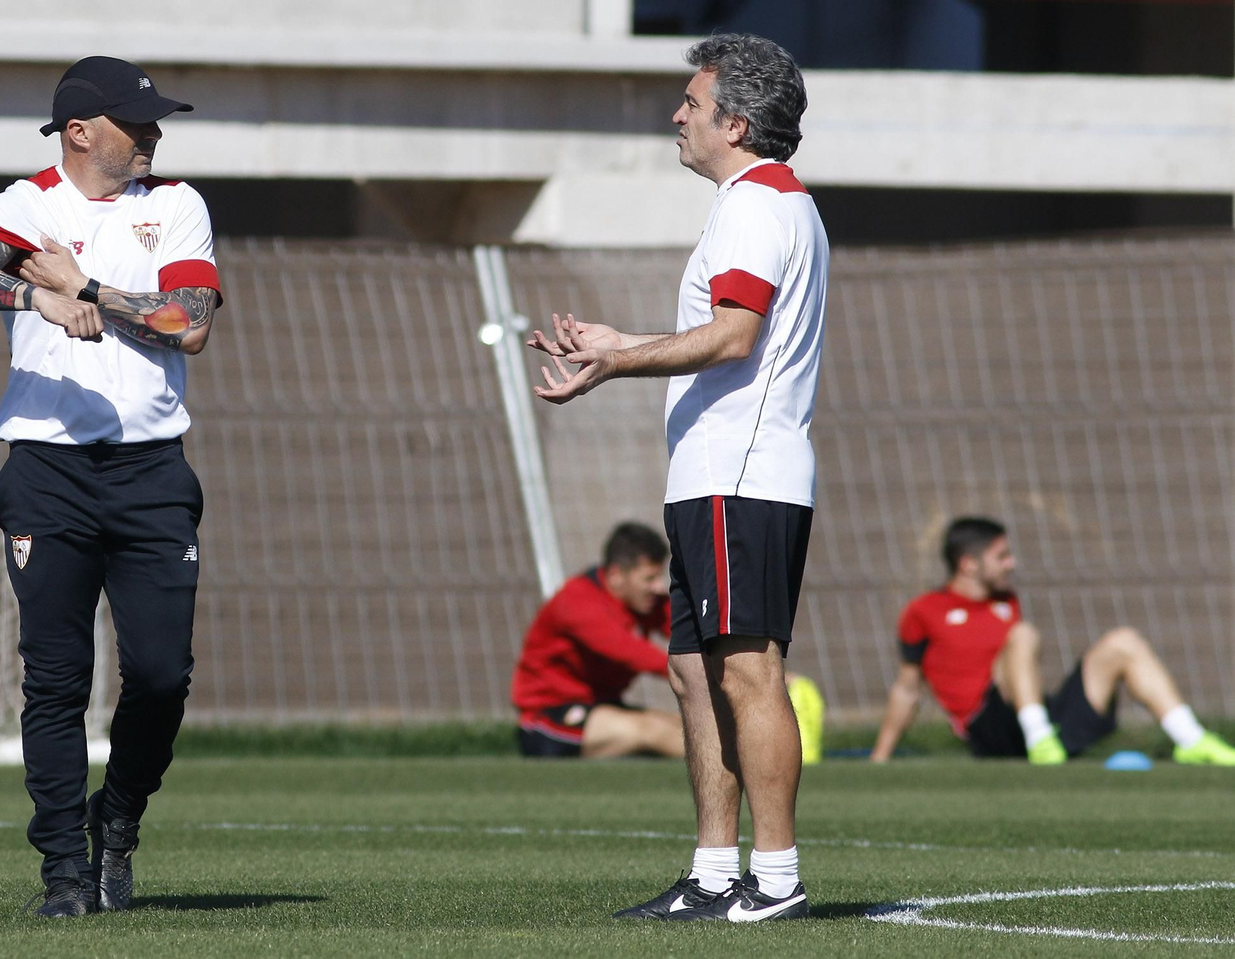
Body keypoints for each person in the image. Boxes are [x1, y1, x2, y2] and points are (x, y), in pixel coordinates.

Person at [530, 34, 826, 922]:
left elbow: (735, 334)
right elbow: (729, 336)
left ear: (735, 122)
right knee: (694, 671)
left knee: (747, 671)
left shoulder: (757, 204)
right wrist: (621, 344)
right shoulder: (760, 203)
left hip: (743, 472)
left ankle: (773, 880)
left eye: (692, 104)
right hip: (714, 473)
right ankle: (711, 871)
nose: (678, 116)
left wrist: (619, 366)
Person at [0, 55, 223, 918]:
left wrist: (85, 286)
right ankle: (63, 871)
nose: (155, 135)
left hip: (152, 474)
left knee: (162, 675)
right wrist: (33, 300)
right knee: (55, 678)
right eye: (140, 122)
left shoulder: (174, 205)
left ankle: (117, 821)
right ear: (81, 132)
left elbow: (188, 326)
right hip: (47, 475)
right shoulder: (26, 205)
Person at [872, 516, 1235, 767]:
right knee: (1023, 634)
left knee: (1123, 642)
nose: (1011, 564)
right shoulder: (923, 611)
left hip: (1036, 713)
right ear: (968, 564)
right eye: (1002, 556)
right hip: (989, 729)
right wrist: (881, 756)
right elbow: (907, 688)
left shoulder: (1006, 601)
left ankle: (1191, 740)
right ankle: (1039, 740)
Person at [512, 522, 826, 764]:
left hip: (602, 708)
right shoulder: (577, 602)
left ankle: (769, 753)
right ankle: (767, 759)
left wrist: (762, 670)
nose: (658, 586)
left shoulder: (644, 603)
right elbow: (639, 656)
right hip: (548, 719)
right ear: (617, 575)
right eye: (648, 578)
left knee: (682, 725)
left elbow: (697, 632)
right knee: (655, 729)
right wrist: (739, 677)